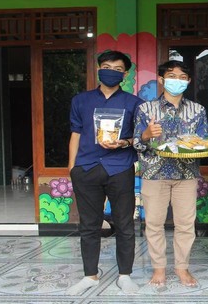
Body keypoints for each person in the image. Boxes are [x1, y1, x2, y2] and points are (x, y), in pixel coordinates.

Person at [66, 50, 143, 295]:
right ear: (98, 69)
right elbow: (75, 134)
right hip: (86, 167)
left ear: (125, 74)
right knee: (89, 225)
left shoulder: (134, 103)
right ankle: (90, 275)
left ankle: (125, 275)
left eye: (118, 68)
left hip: (120, 168)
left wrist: (124, 143)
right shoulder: (81, 100)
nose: (112, 71)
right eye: (107, 66)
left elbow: (140, 138)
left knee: (124, 224)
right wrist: (72, 168)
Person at [133, 60, 208, 287]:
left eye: (182, 76)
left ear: (188, 81)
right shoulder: (145, 109)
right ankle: (159, 269)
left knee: (185, 224)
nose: (177, 80)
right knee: (154, 224)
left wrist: (197, 145)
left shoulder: (198, 110)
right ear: (162, 79)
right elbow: (136, 142)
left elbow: (203, 143)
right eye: (172, 75)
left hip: (186, 175)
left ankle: (182, 268)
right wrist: (146, 134)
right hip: (154, 174)